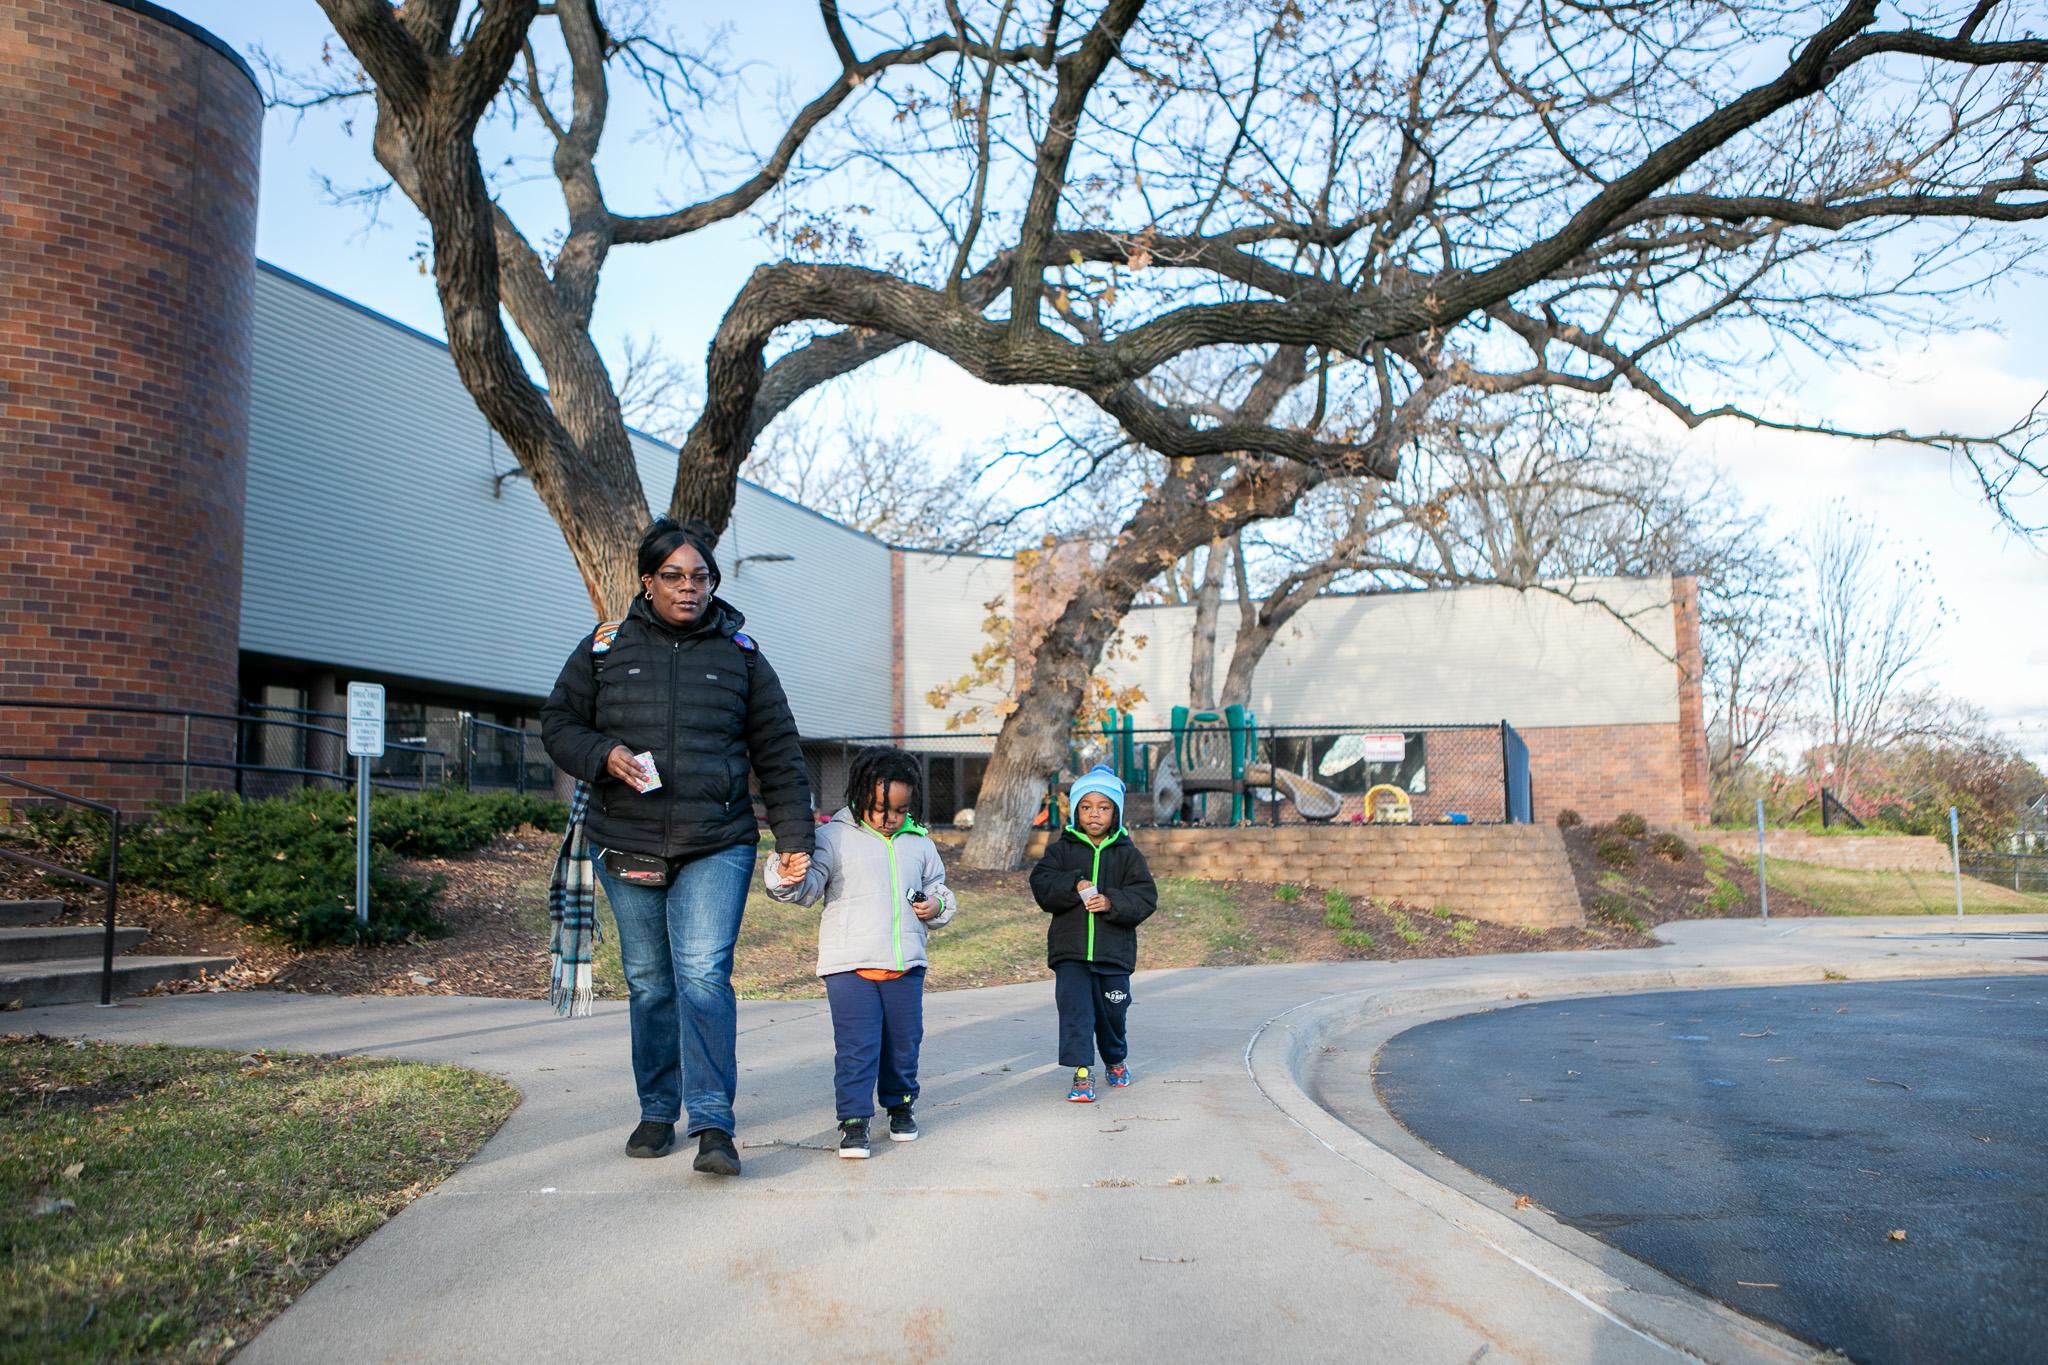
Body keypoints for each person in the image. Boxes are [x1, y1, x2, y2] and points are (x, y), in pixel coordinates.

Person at [541, 517, 816, 1177]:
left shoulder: (741, 654)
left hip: (716, 841)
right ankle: (657, 1109)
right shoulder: (605, 647)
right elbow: (558, 723)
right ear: (648, 580)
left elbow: (778, 751)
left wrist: (794, 837)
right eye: (674, 575)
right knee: (649, 984)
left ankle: (714, 1121)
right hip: (626, 838)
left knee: (701, 977)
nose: (688, 587)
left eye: (700, 576)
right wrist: (602, 753)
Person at [765, 747, 956, 1159]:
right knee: (857, 1046)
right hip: (849, 965)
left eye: (901, 810)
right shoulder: (832, 837)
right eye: (879, 808)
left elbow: (938, 886)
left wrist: (937, 905)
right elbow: (806, 888)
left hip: (905, 963)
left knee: (904, 1043)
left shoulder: (919, 843)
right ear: (857, 797)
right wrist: (784, 875)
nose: (890, 818)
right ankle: (854, 1120)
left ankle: (900, 1106)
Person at [1029, 765, 1157, 1103]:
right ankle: (1082, 1073)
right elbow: (1042, 886)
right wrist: (1074, 883)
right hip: (1070, 952)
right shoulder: (1060, 851)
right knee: (1076, 1012)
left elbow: (1145, 898)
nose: (1094, 814)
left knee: (1113, 1013)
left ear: (1115, 812)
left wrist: (1110, 901)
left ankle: (1115, 1058)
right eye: (1086, 806)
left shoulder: (1129, 855)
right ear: (1075, 811)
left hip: (1113, 954)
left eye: (1103, 807)